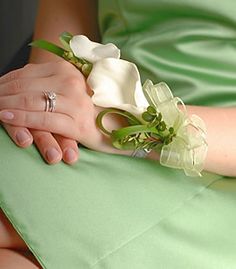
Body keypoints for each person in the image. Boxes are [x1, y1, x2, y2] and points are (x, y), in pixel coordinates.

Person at [1, 0, 236, 268]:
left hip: (214, 165)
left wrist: (117, 121)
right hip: (86, 115)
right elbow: (67, 26)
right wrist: (52, 92)